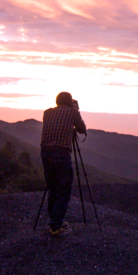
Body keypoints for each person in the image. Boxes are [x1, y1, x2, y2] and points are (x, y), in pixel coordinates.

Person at [40, 91, 86, 237]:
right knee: (64, 189)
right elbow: (82, 129)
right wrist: (76, 110)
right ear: (69, 102)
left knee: (52, 187)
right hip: (61, 153)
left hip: (45, 152)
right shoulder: (72, 112)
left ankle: (52, 221)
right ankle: (56, 227)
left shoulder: (47, 113)